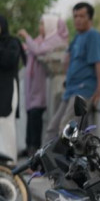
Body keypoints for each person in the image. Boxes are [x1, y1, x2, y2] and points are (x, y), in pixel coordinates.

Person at [44, 2, 100, 141]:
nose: (78, 19)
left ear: (90, 18)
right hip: (70, 90)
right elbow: (68, 58)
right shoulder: (78, 37)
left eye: (82, 16)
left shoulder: (93, 36)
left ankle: (66, 162)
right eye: (75, 16)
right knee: (52, 129)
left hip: (83, 90)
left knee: (66, 129)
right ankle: (46, 162)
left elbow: (99, 64)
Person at [18, 15, 69, 156]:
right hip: (33, 87)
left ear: (50, 26)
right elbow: (30, 48)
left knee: (36, 117)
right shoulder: (42, 40)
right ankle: (29, 148)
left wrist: (27, 36)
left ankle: (35, 150)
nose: (40, 27)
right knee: (31, 116)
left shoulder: (55, 41)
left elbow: (38, 50)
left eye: (42, 24)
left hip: (41, 86)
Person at [0, 16, 26, 162]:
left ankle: (9, 162)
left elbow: (8, 61)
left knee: (6, 124)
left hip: (7, 89)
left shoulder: (12, 43)